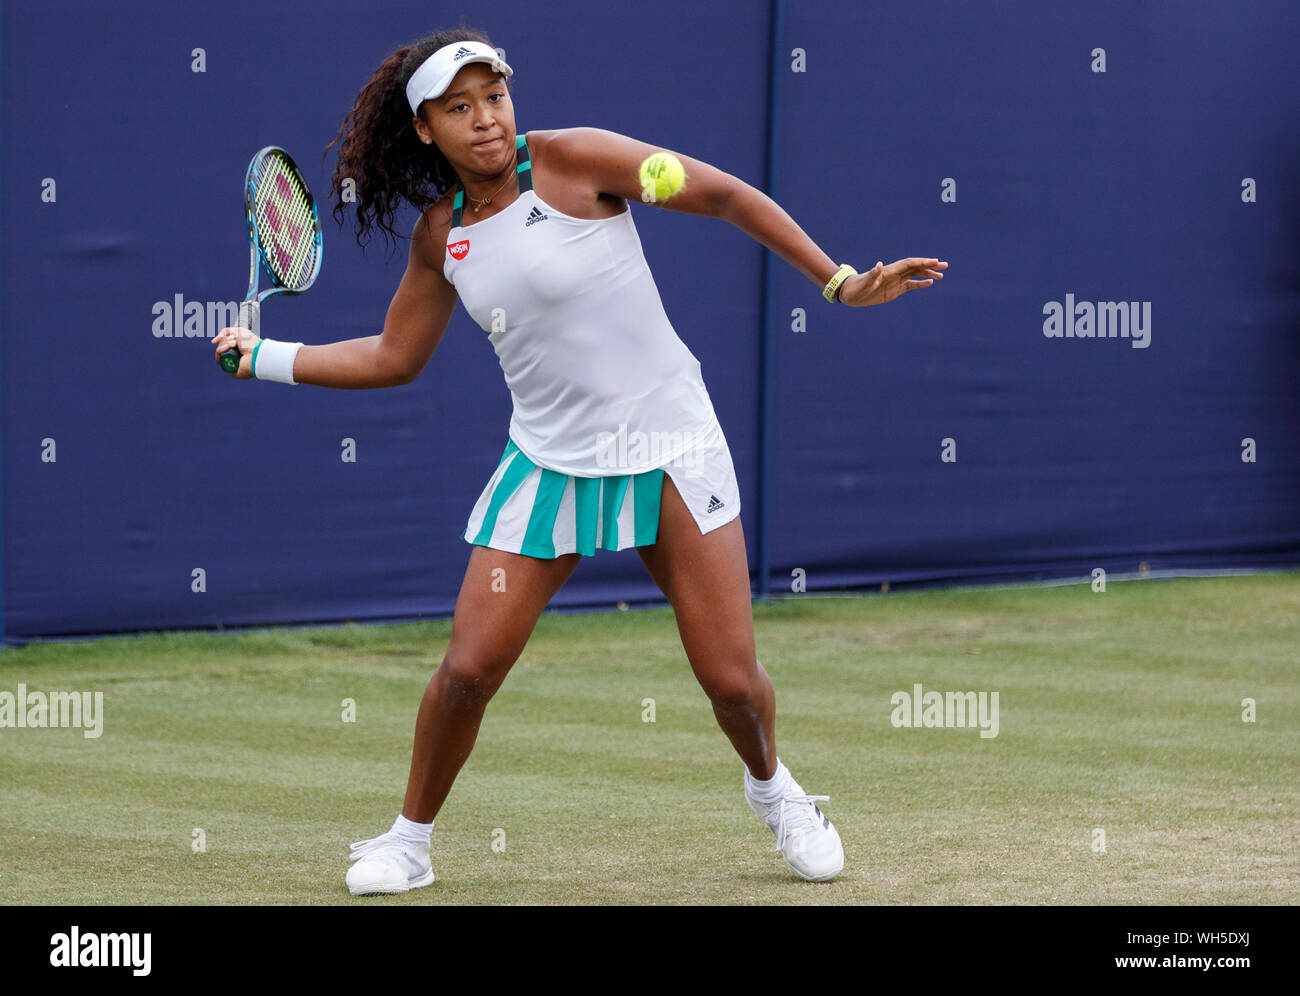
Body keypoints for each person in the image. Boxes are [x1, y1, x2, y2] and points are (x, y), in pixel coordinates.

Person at [212, 26, 947, 895]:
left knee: (732, 682)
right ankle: (407, 842)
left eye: (495, 97)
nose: (485, 119)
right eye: (459, 107)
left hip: (669, 444)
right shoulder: (441, 237)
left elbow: (722, 196)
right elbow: (392, 358)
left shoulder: (577, 159)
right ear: (425, 129)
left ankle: (777, 792)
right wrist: (264, 356)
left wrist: (839, 281)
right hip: (549, 463)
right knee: (469, 667)